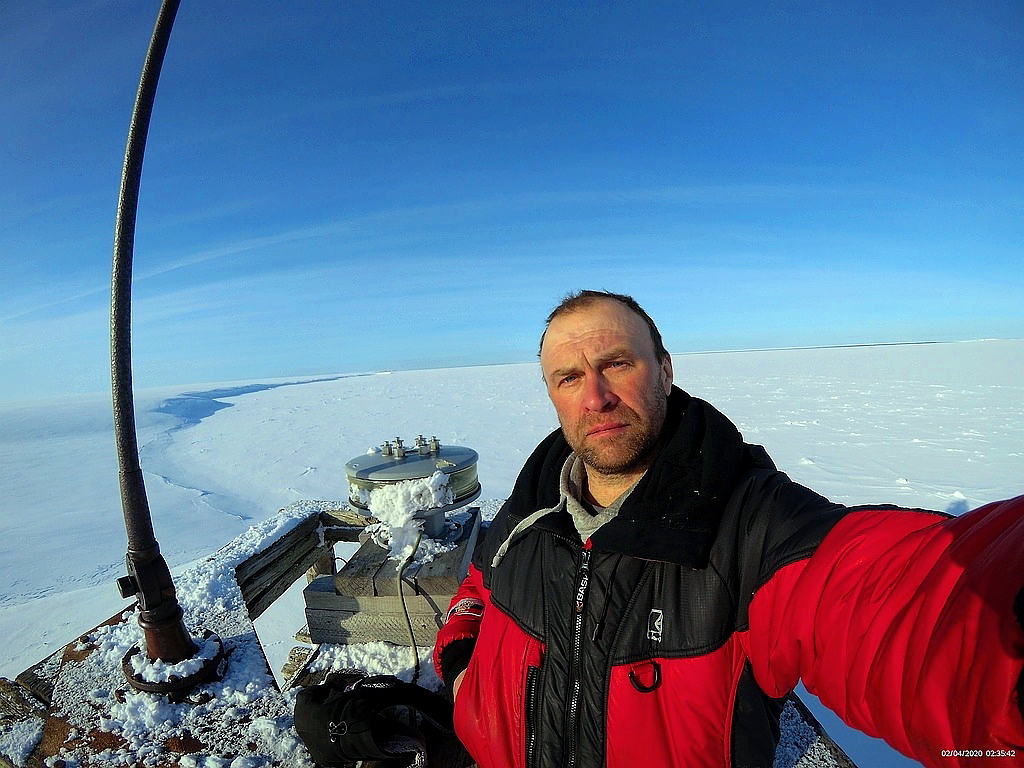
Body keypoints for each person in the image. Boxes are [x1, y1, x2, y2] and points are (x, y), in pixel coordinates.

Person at [433, 290, 1024, 768]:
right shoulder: (534, 501)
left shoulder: (753, 527)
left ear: (665, 371)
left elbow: (913, 607)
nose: (596, 397)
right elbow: (481, 582)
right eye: (568, 377)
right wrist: (461, 664)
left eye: (617, 364)